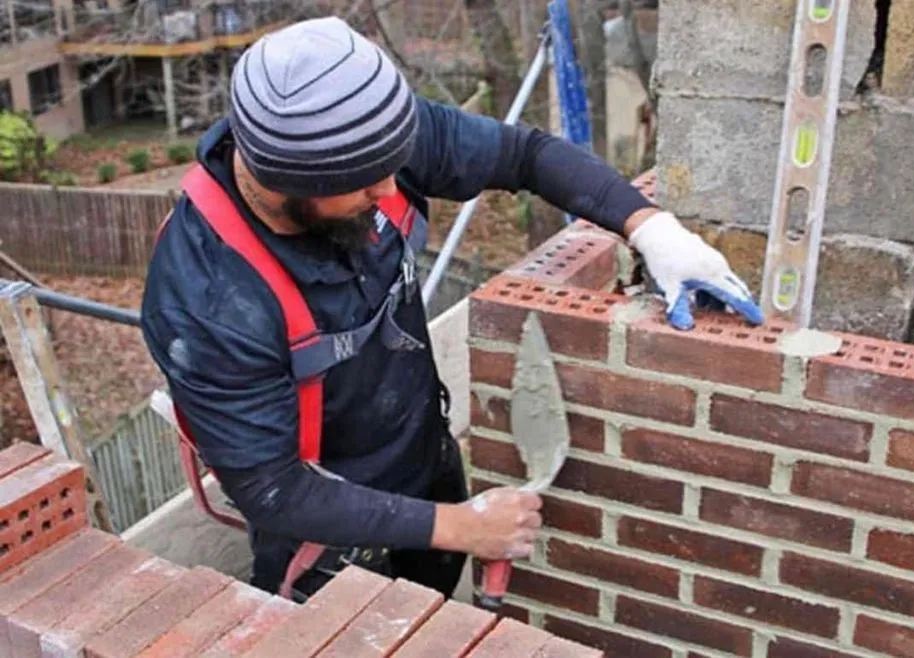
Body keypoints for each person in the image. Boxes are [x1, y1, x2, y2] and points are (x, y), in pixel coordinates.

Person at [139, 15, 763, 602]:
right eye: (364, 185)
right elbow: (274, 490)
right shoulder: (207, 298)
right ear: (290, 183)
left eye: (391, 169)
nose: (389, 191)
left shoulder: (363, 133)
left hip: (426, 466)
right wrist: (462, 528)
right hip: (325, 542)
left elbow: (526, 154)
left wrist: (651, 229)